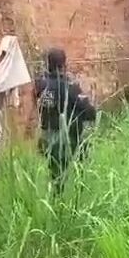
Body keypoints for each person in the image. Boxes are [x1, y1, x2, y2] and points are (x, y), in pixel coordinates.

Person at [34, 48, 97, 194]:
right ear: (63, 65)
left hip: (46, 138)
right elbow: (89, 112)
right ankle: (76, 197)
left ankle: (57, 198)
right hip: (65, 140)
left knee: (56, 176)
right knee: (77, 172)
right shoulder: (69, 87)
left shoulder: (41, 85)